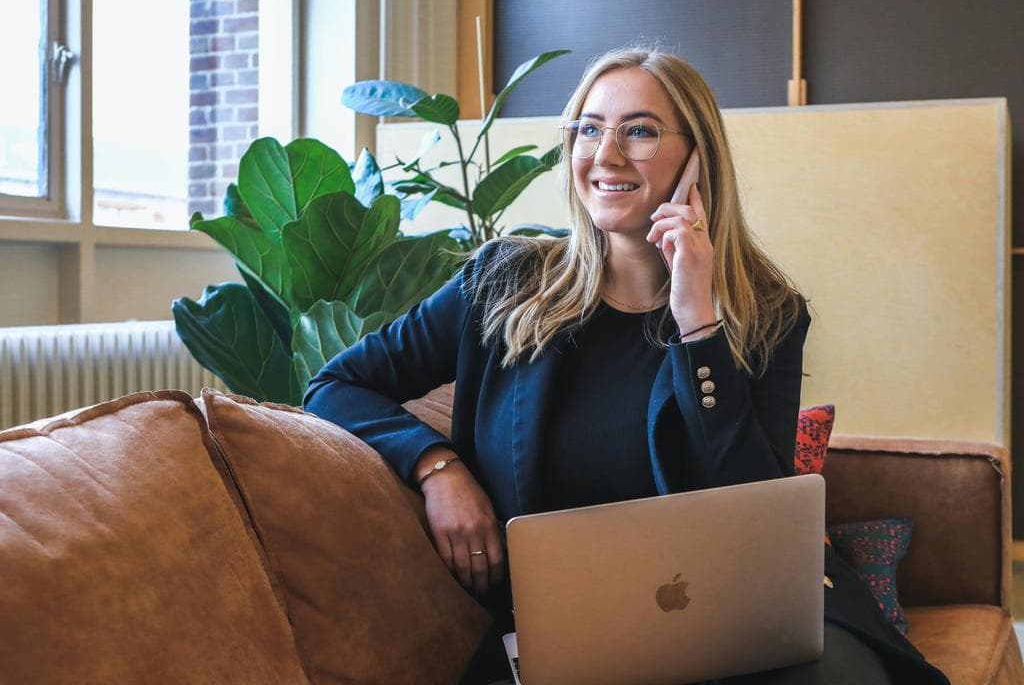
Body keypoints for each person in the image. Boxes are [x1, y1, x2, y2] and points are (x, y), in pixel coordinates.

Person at [304, 49, 949, 685]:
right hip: (571, 634)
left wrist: (699, 326)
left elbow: (758, 510)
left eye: (639, 131)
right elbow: (334, 384)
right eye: (589, 128)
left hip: (745, 622)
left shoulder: (767, 313)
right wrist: (437, 468)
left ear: (699, 159)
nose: (606, 154)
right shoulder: (501, 284)